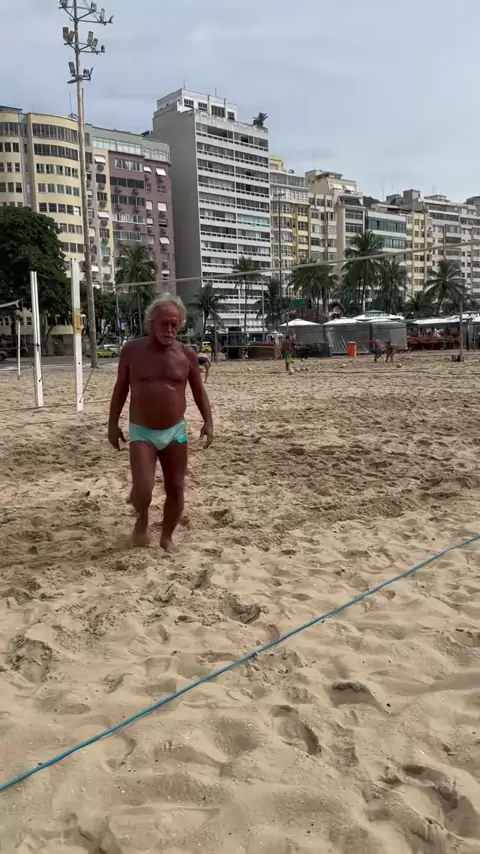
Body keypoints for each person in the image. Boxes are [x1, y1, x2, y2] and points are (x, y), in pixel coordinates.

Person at [108, 295, 214, 553]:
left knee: (176, 487)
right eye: (164, 323)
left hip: (176, 432)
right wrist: (112, 424)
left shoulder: (186, 354)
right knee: (143, 489)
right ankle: (142, 516)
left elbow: (199, 391)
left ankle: (167, 537)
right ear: (151, 323)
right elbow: (120, 388)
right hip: (142, 432)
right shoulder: (132, 351)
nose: (169, 329)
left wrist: (208, 421)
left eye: (174, 324)